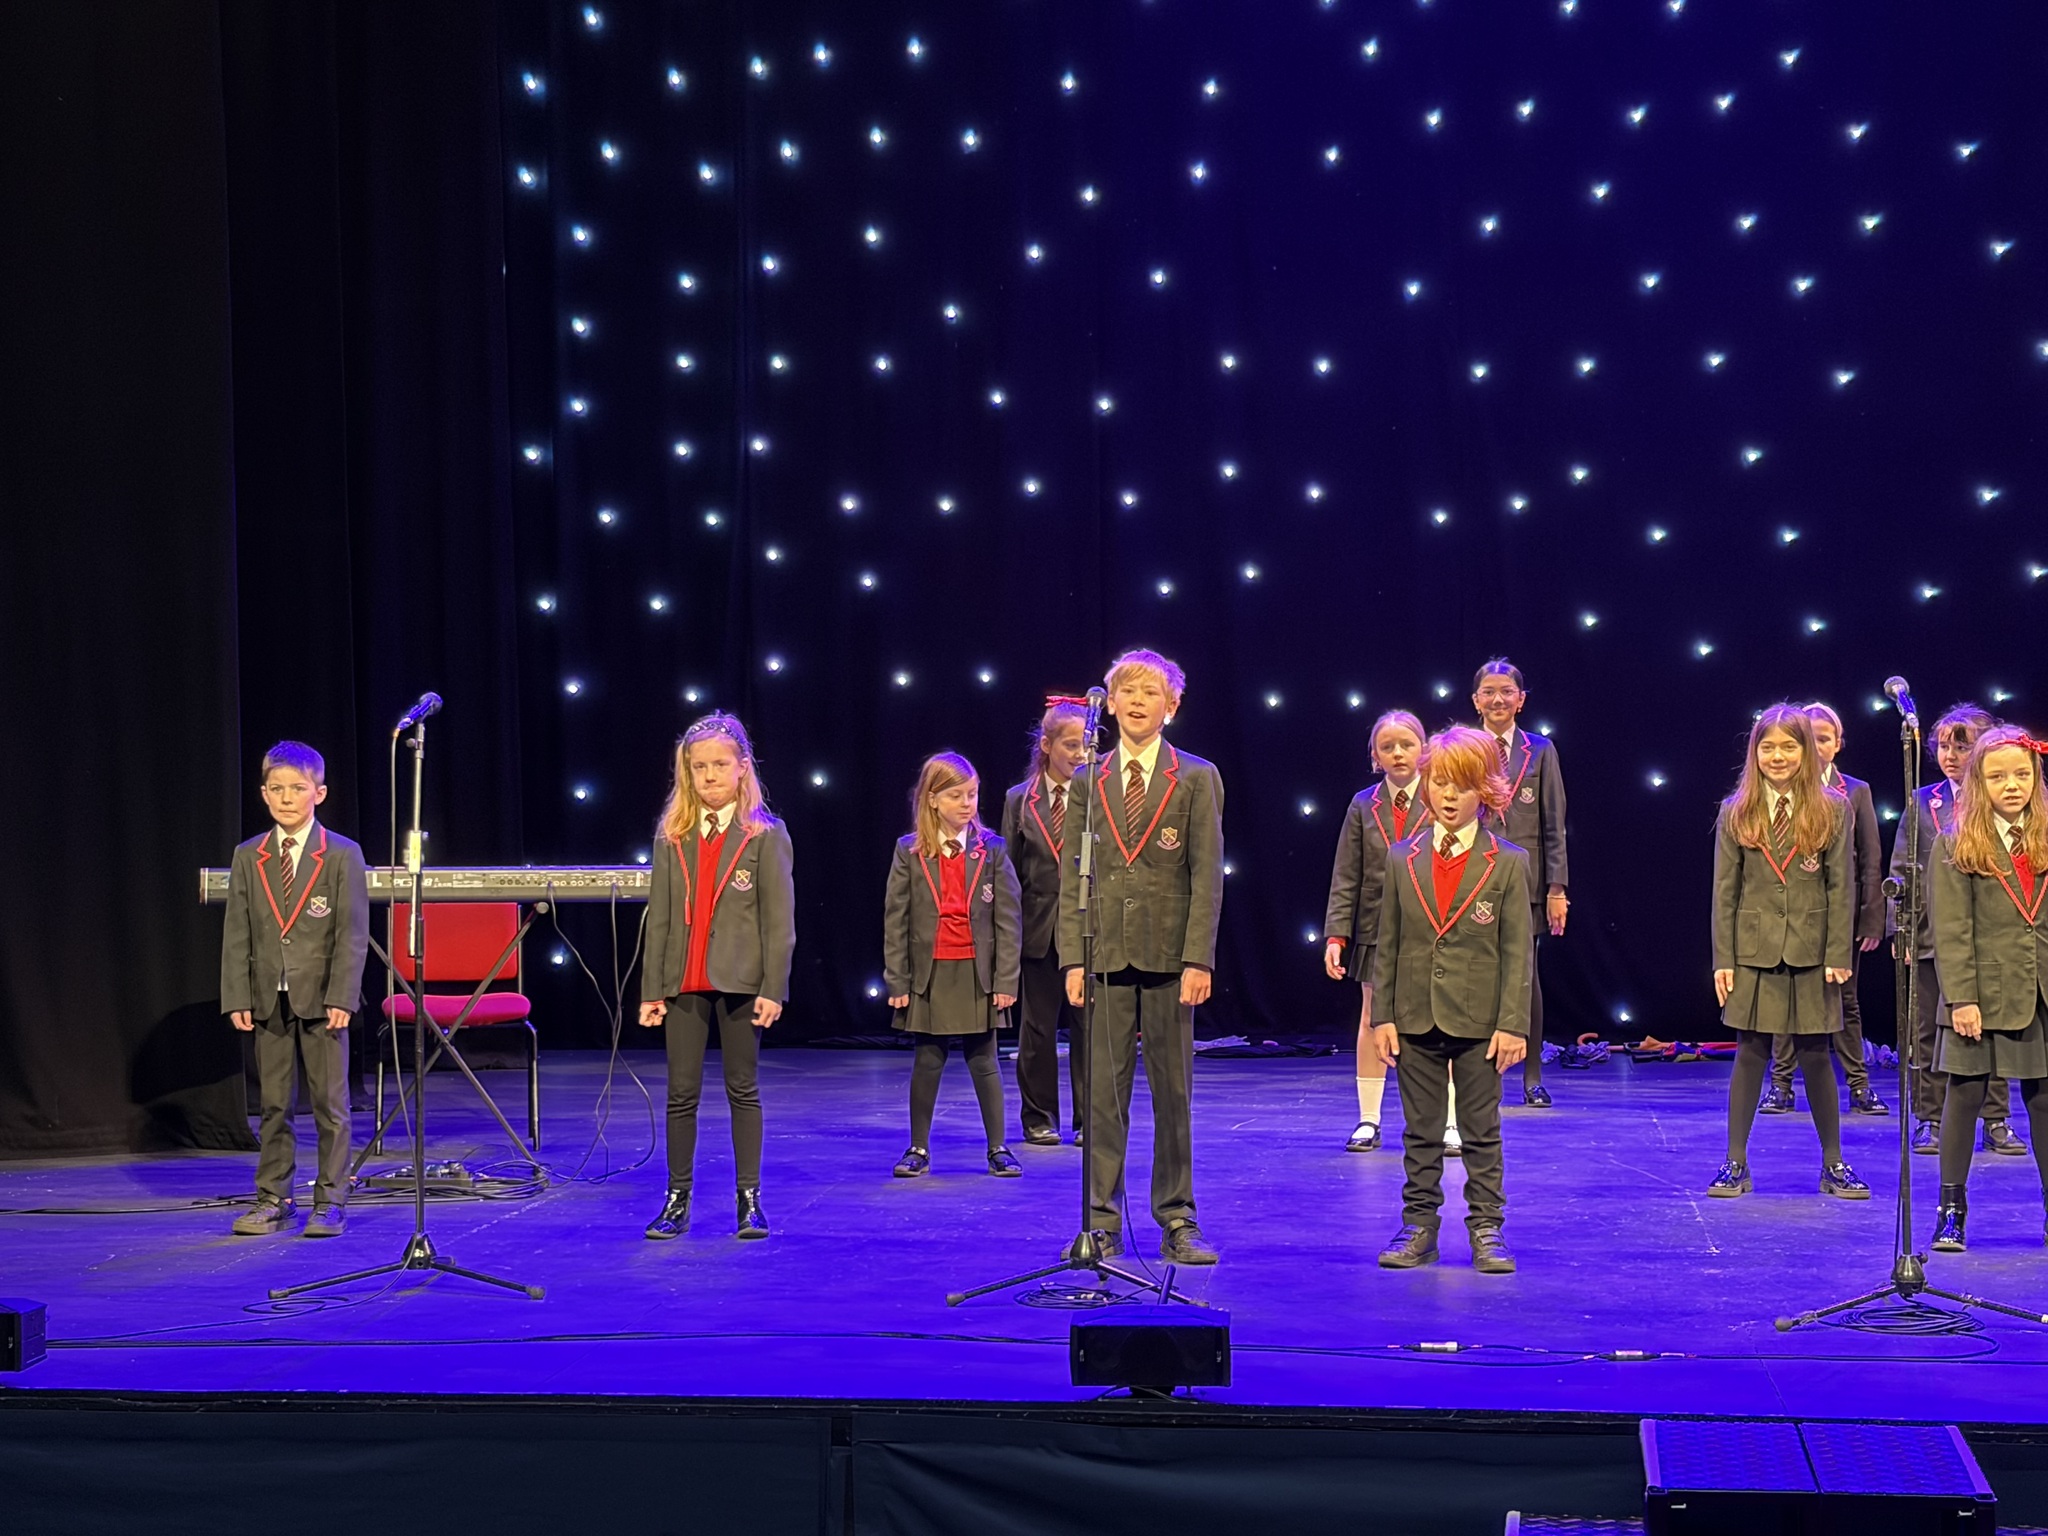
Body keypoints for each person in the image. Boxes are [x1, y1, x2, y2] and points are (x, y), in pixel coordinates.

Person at [1058, 649, 1225, 1265]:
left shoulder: (1196, 777)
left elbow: (1206, 874)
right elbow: (1074, 873)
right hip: (1104, 953)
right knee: (1103, 1097)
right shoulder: (1088, 778)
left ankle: (1178, 1217)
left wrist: (1198, 959)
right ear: (1110, 702)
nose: (1136, 701)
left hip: (1168, 958)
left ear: (1171, 707)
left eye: (1150, 692)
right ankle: (1100, 1221)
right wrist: (1073, 957)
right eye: (1126, 690)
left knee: (1172, 1095)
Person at [1371, 726, 1532, 1274]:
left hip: (1480, 1020)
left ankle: (1487, 1226)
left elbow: (1517, 952)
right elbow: (1389, 941)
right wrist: (1382, 1015)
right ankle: (1418, 1226)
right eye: (1439, 782)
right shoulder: (1402, 857)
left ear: (1483, 791)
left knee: (1481, 1131)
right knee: (1419, 1130)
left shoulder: (1507, 861)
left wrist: (1513, 1023)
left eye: (1461, 785)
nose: (1447, 795)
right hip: (1415, 1014)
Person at [639, 713, 795, 1241]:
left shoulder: (765, 835)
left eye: (720, 765)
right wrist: (652, 989)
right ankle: (676, 1199)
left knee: (742, 1088)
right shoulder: (673, 835)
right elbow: (660, 918)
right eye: (699, 767)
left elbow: (779, 922)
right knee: (681, 1093)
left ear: (742, 768)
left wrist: (773, 988)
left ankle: (749, 1200)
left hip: (741, 980)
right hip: (684, 979)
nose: (709, 776)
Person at [1708, 705, 1866, 1199]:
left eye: (1789, 746)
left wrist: (1838, 953)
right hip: (1753, 951)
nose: (1778, 756)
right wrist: (1723, 959)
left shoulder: (1834, 808)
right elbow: (1724, 893)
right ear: (1754, 752)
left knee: (1816, 1053)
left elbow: (1842, 888)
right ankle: (1735, 1162)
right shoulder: (1737, 809)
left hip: (1812, 950)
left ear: (1807, 751)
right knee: (1750, 1052)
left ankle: (1834, 1162)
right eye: (1768, 747)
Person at [220, 741, 370, 1237]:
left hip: (323, 998)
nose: (287, 798)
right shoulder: (250, 855)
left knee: (330, 1105)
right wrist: (238, 995)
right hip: (269, 997)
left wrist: (343, 995)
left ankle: (330, 1199)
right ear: (264, 793)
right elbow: (237, 932)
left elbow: (352, 933)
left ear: (318, 793)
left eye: (298, 788)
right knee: (274, 1105)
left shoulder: (342, 853)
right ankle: (273, 1197)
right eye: (277, 789)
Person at [1929, 727, 2048, 1250]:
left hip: (2038, 991)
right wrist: (1962, 998)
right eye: (1998, 777)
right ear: (1979, 781)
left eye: (2022, 775)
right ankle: (1951, 1209)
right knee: (1965, 1094)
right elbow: (1952, 929)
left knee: (2043, 1100)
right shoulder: (1956, 842)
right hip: (1979, 992)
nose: (2012, 785)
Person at [884, 753, 1025, 1177]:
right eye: (955, 795)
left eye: (972, 794)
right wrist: (898, 979)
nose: (967, 803)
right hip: (930, 973)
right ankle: (918, 1148)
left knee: (984, 1059)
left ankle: (998, 1147)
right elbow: (896, 920)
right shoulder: (909, 851)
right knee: (928, 1059)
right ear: (932, 799)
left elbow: (1009, 920)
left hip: (977, 973)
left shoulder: (992, 850)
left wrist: (1006, 979)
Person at [1892, 703, 2024, 1157]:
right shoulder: (1923, 801)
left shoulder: (1999, 801)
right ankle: (1930, 1118)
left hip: (1991, 940)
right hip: (1932, 935)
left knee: (1993, 1029)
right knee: (1928, 1031)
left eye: (1962, 747)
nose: (1950, 756)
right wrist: (1901, 932)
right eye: (1944, 747)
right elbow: (1902, 868)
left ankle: (1996, 1118)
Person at [1325, 710, 1447, 1153]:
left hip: (1432, 927)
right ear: (1375, 755)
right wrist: (1336, 935)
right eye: (1387, 746)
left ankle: (1449, 1121)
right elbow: (1346, 874)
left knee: (1443, 1020)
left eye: (1407, 744)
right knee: (1372, 1017)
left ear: (1423, 749)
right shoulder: (1363, 805)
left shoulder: (1441, 796)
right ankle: (1369, 1118)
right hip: (1376, 928)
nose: (1398, 753)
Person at [1762, 703, 1887, 1115]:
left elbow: (1870, 859)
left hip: (1840, 913)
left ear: (1837, 743)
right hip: (1792, 912)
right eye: (1808, 738)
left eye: (1824, 738)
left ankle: (1859, 1085)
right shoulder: (1780, 790)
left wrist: (1871, 918)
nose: (1816, 746)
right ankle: (1780, 1084)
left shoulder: (1855, 791)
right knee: (1785, 999)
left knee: (1844, 999)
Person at [1471, 659, 1569, 1106]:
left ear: (1521, 700)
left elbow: (1554, 824)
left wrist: (1557, 888)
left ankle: (1532, 1076)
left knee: (1525, 976)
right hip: (1472, 878)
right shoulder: (1464, 747)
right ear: (1476, 700)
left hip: (1526, 884)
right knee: (1476, 977)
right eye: (1489, 692)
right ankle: (1479, 1075)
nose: (1498, 699)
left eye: (1506, 691)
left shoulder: (1540, 751)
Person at [1001, 701, 1090, 1146]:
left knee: (1089, 1028)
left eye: (1085, 744)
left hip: (1088, 930)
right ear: (1047, 745)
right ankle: (1039, 1117)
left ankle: (1090, 1119)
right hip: (1038, 930)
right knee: (1037, 1030)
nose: (1080, 753)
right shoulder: (1020, 800)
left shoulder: (1098, 795)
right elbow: (1009, 874)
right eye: (1070, 745)